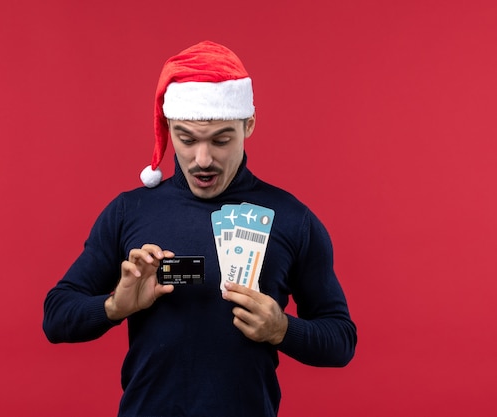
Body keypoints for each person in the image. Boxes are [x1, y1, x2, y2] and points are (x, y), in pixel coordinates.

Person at [43, 40, 357, 417]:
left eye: (221, 140)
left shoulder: (292, 219)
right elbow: (56, 316)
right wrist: (114, 306)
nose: (202, 160)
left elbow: (341, 340)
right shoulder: (129, 211)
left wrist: (282, 330)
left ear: (249, 124)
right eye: (186, 139)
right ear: (168, 127)